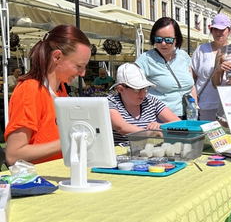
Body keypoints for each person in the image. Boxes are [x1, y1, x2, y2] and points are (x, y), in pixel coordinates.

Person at [4, 25, 91, 166]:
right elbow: (14, 155)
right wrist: (70, 141)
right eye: (79, 66)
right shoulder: (30, 89)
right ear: (57, 57)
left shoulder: (60, 88)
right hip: (38, 182)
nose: (82, 73)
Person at [136, 17, 196, 119]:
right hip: (162, 117)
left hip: (189, 114)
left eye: (168, 40)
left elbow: (192, 87)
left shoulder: (184, 56)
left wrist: (195, 108)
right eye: (158, 39)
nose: (163, 43)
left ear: (176, 39)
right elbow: (134, 89)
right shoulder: (145, 59)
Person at [108, 63, 180, 145]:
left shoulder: (151, 101)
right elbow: (121, 128)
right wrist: (150, 133)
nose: (142, 93)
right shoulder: (110, 103)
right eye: (137, 89)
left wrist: (161, 126)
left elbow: (177, 122)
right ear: (121, 89)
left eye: (144, 88)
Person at [191, 14, 231, 121]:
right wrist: (194, 102)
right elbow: (192, 77)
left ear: (229, 30)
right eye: (215, 29)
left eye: (222, 29)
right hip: (204, 105)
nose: (218, 32)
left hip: (228, 105)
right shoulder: (202, 49)